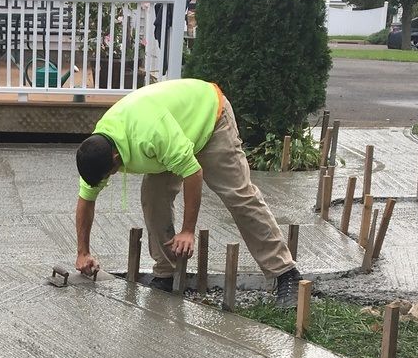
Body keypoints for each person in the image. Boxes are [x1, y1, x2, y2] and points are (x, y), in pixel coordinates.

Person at [72, 78, 301, 304]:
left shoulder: (150, 134)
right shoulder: (98, 147)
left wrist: (187, 231)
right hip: (173, 136)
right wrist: (83, 252)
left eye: (110, 173)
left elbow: (193, 173)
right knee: (153, 197)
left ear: (115, 158)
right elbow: (86, 199)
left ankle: (285, 273)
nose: (111, 177)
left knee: (238, 195)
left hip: (210, 119)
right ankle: (166, 273)